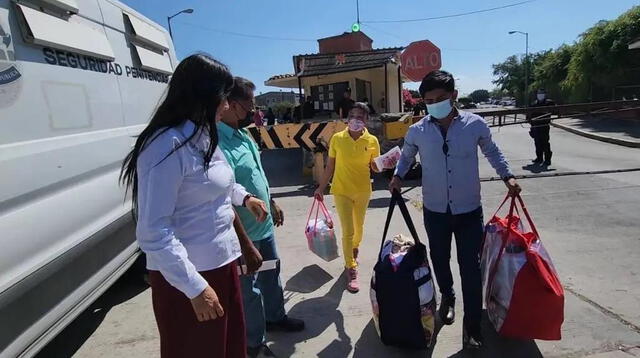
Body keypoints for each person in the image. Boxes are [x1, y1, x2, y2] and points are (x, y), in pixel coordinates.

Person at [120, 54, 269, 358]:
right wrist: (194, 288)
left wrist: (244, 197)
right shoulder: (165, 145)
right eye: (224, 98)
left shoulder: (202, 134)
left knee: (229, 348)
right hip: (190, 277)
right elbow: (153, 231)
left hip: (221, 264)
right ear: (203, 95)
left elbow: (217, 182)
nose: (227, 106)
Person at [389, 70, 521, 349]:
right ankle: (448, 296)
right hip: (435, 211)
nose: (435, 103)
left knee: (470, 268)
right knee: (439, 259)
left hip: (469, 212)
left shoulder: (475, 125)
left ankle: (472, 325)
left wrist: (507, 176)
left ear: (454, 97)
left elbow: (493, 152)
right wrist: (398, 177)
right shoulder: (417, 131)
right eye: (428, 100)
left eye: (440, 98)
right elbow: (407, 157)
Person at [218, 77, 305, 358]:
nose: (253, 111)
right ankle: (254, 344)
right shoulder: (217, 144)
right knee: (249, 291)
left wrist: (273, 201)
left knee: (272, 276)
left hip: (263, 227)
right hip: (243, 234)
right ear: (229, 104)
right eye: (248, 105)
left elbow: (257, 176)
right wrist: (244, 244)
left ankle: (276, 318)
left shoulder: (244, 136)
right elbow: (223, 196)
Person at [314, 103, 381, 293]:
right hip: (341, 190)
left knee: (358, 229)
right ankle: (350, 267)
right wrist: (320, 187)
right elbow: (330, 167)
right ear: (346, 118)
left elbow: (374, 166)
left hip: (362, 191)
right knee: (348, 230)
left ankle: (354, 249)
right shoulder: (337, 139)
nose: (355, 120)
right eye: (352, 115)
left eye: (360, 117)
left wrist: (382, 165)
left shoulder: (372, 141)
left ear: (367, 120)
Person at [529, 88, 555, 166]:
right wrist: (530, 123)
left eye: (541, 93)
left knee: (545, 142)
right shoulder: (534, 103)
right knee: (537, 142)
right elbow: (529, 114)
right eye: (539, 93)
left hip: (544, 125)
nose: (540, 95)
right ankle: (539, 158)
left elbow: (555, 110)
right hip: (535, 126)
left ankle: (547, 160)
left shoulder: (549, 103)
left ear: (544, 94)